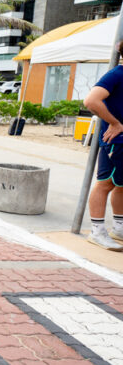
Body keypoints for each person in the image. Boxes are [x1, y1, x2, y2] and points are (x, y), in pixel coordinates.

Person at [84, 42, 123, 251]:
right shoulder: (117, 73)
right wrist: (115, 123)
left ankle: (119, 227)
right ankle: (97, 232)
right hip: (117, 141)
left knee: (121, 185)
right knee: (106, 183)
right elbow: (91, 101)